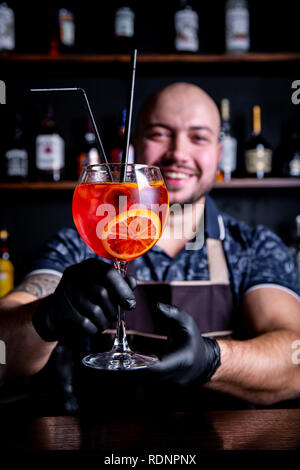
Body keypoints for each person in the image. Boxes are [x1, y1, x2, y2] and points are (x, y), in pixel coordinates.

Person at [0, 82, 300, 411]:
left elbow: (295, 360)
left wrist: (213, 359)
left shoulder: (253, 247)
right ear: (134, 146)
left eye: (198, 137)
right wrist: (45, 317)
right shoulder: (79, 243)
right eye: (159, 133)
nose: (178, 153)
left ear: (218, 152)